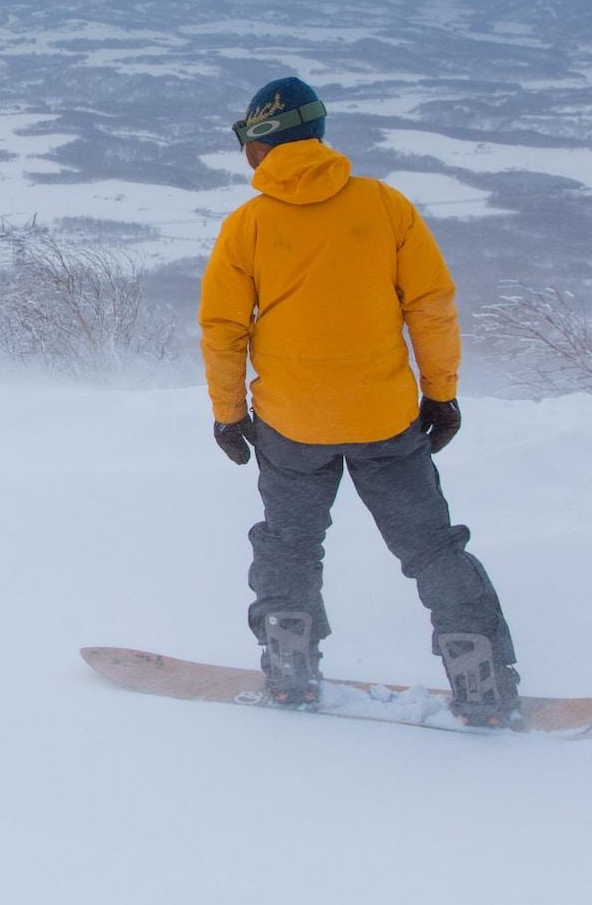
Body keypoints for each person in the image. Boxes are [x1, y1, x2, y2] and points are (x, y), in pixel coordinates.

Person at [196, 76, 519, 725]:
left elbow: (223, 330)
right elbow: (430, 305)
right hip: (385, 418)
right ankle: (478, 673)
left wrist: (229, 415)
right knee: (431, 548)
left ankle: (290, 666)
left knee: (289, 547)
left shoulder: (248, 226)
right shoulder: (384, 206)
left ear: (259, 146)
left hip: (291, 423)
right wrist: (442, 395)